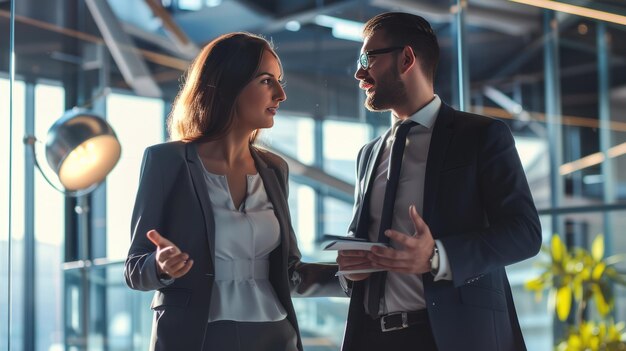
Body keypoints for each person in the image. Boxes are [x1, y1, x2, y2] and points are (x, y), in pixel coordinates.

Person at [336, 12, 542, 351]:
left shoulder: (480, 136)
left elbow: (525, 233)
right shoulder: (368, 154)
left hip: (453, 337)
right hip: (373, 337)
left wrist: (437, 256)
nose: (359, 73)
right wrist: (351, 266)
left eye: (367, 59)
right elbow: (363, 239)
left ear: (406, 59)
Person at [124, 32, 341, 351]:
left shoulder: (274, 168)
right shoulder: (167, 161)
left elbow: (289, 272)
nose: (280, 94)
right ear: (228, 85)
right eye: (267, 81)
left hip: (274, 335)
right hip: (195, 337)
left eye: (279, 81)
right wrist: (159, 266)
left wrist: (351, 274)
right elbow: (134, 268)